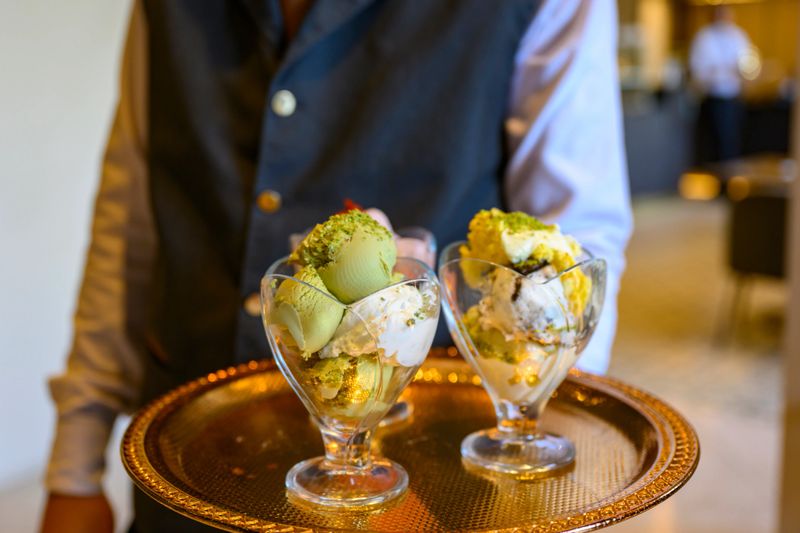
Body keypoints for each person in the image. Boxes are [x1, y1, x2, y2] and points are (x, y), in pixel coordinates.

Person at [40, 0, 632, 531]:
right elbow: (130, 218)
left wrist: (535, 461)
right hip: (188, 472)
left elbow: (574, 241)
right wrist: (74, 467)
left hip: (425, 484)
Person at [689, 5, 752, 163]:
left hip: (734, 97)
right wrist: (722, 71)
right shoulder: (704, 37)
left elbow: (747, 65)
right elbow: (699, 71)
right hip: (713, 98)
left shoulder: (738, 35)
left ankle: (731, 180)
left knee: (732, 141)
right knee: (714, 143)